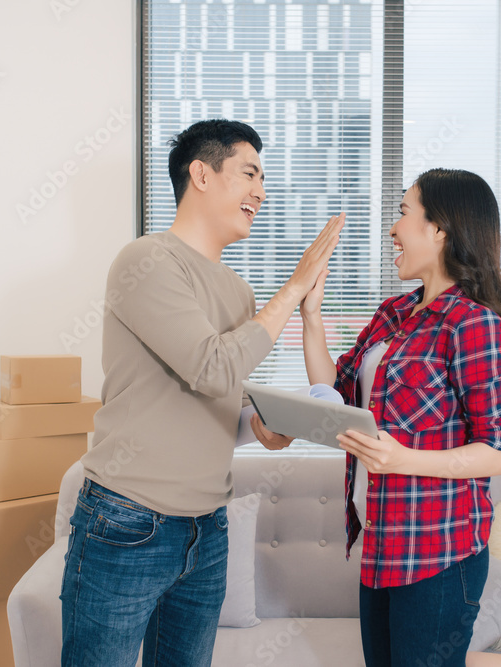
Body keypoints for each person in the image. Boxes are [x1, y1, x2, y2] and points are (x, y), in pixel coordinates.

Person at [252, 168, 501, 667]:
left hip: (438, 555)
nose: (392, 229)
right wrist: (311, 316)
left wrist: (405, 458)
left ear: (439, 229)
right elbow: (337, 391)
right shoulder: (394, 312)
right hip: (379, 543)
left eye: (402, 213)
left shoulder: (473, 323)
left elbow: (497, 451)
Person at [61, 119, 344, 667]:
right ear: (201, 174)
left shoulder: (238, 290)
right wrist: (293, 288)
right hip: (126, 521)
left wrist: (264, 428)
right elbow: (211, 367)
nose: (261, 191)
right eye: (249, 173)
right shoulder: (146, 260)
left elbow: (224, 405)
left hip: (208, 530)